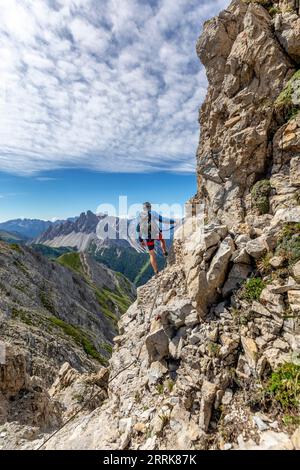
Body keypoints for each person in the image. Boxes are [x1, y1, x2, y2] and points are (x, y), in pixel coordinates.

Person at [136, 202, 176, 275]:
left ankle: (156, 271)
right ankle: (164, 252)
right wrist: (173, 221)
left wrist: (141, 240)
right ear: (150, 207)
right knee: (162, 240)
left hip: (147, 237)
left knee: (152, 254)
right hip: (156, 233)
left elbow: (138, 228)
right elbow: (162, 219)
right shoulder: (153, 213)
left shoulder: (139, 216)